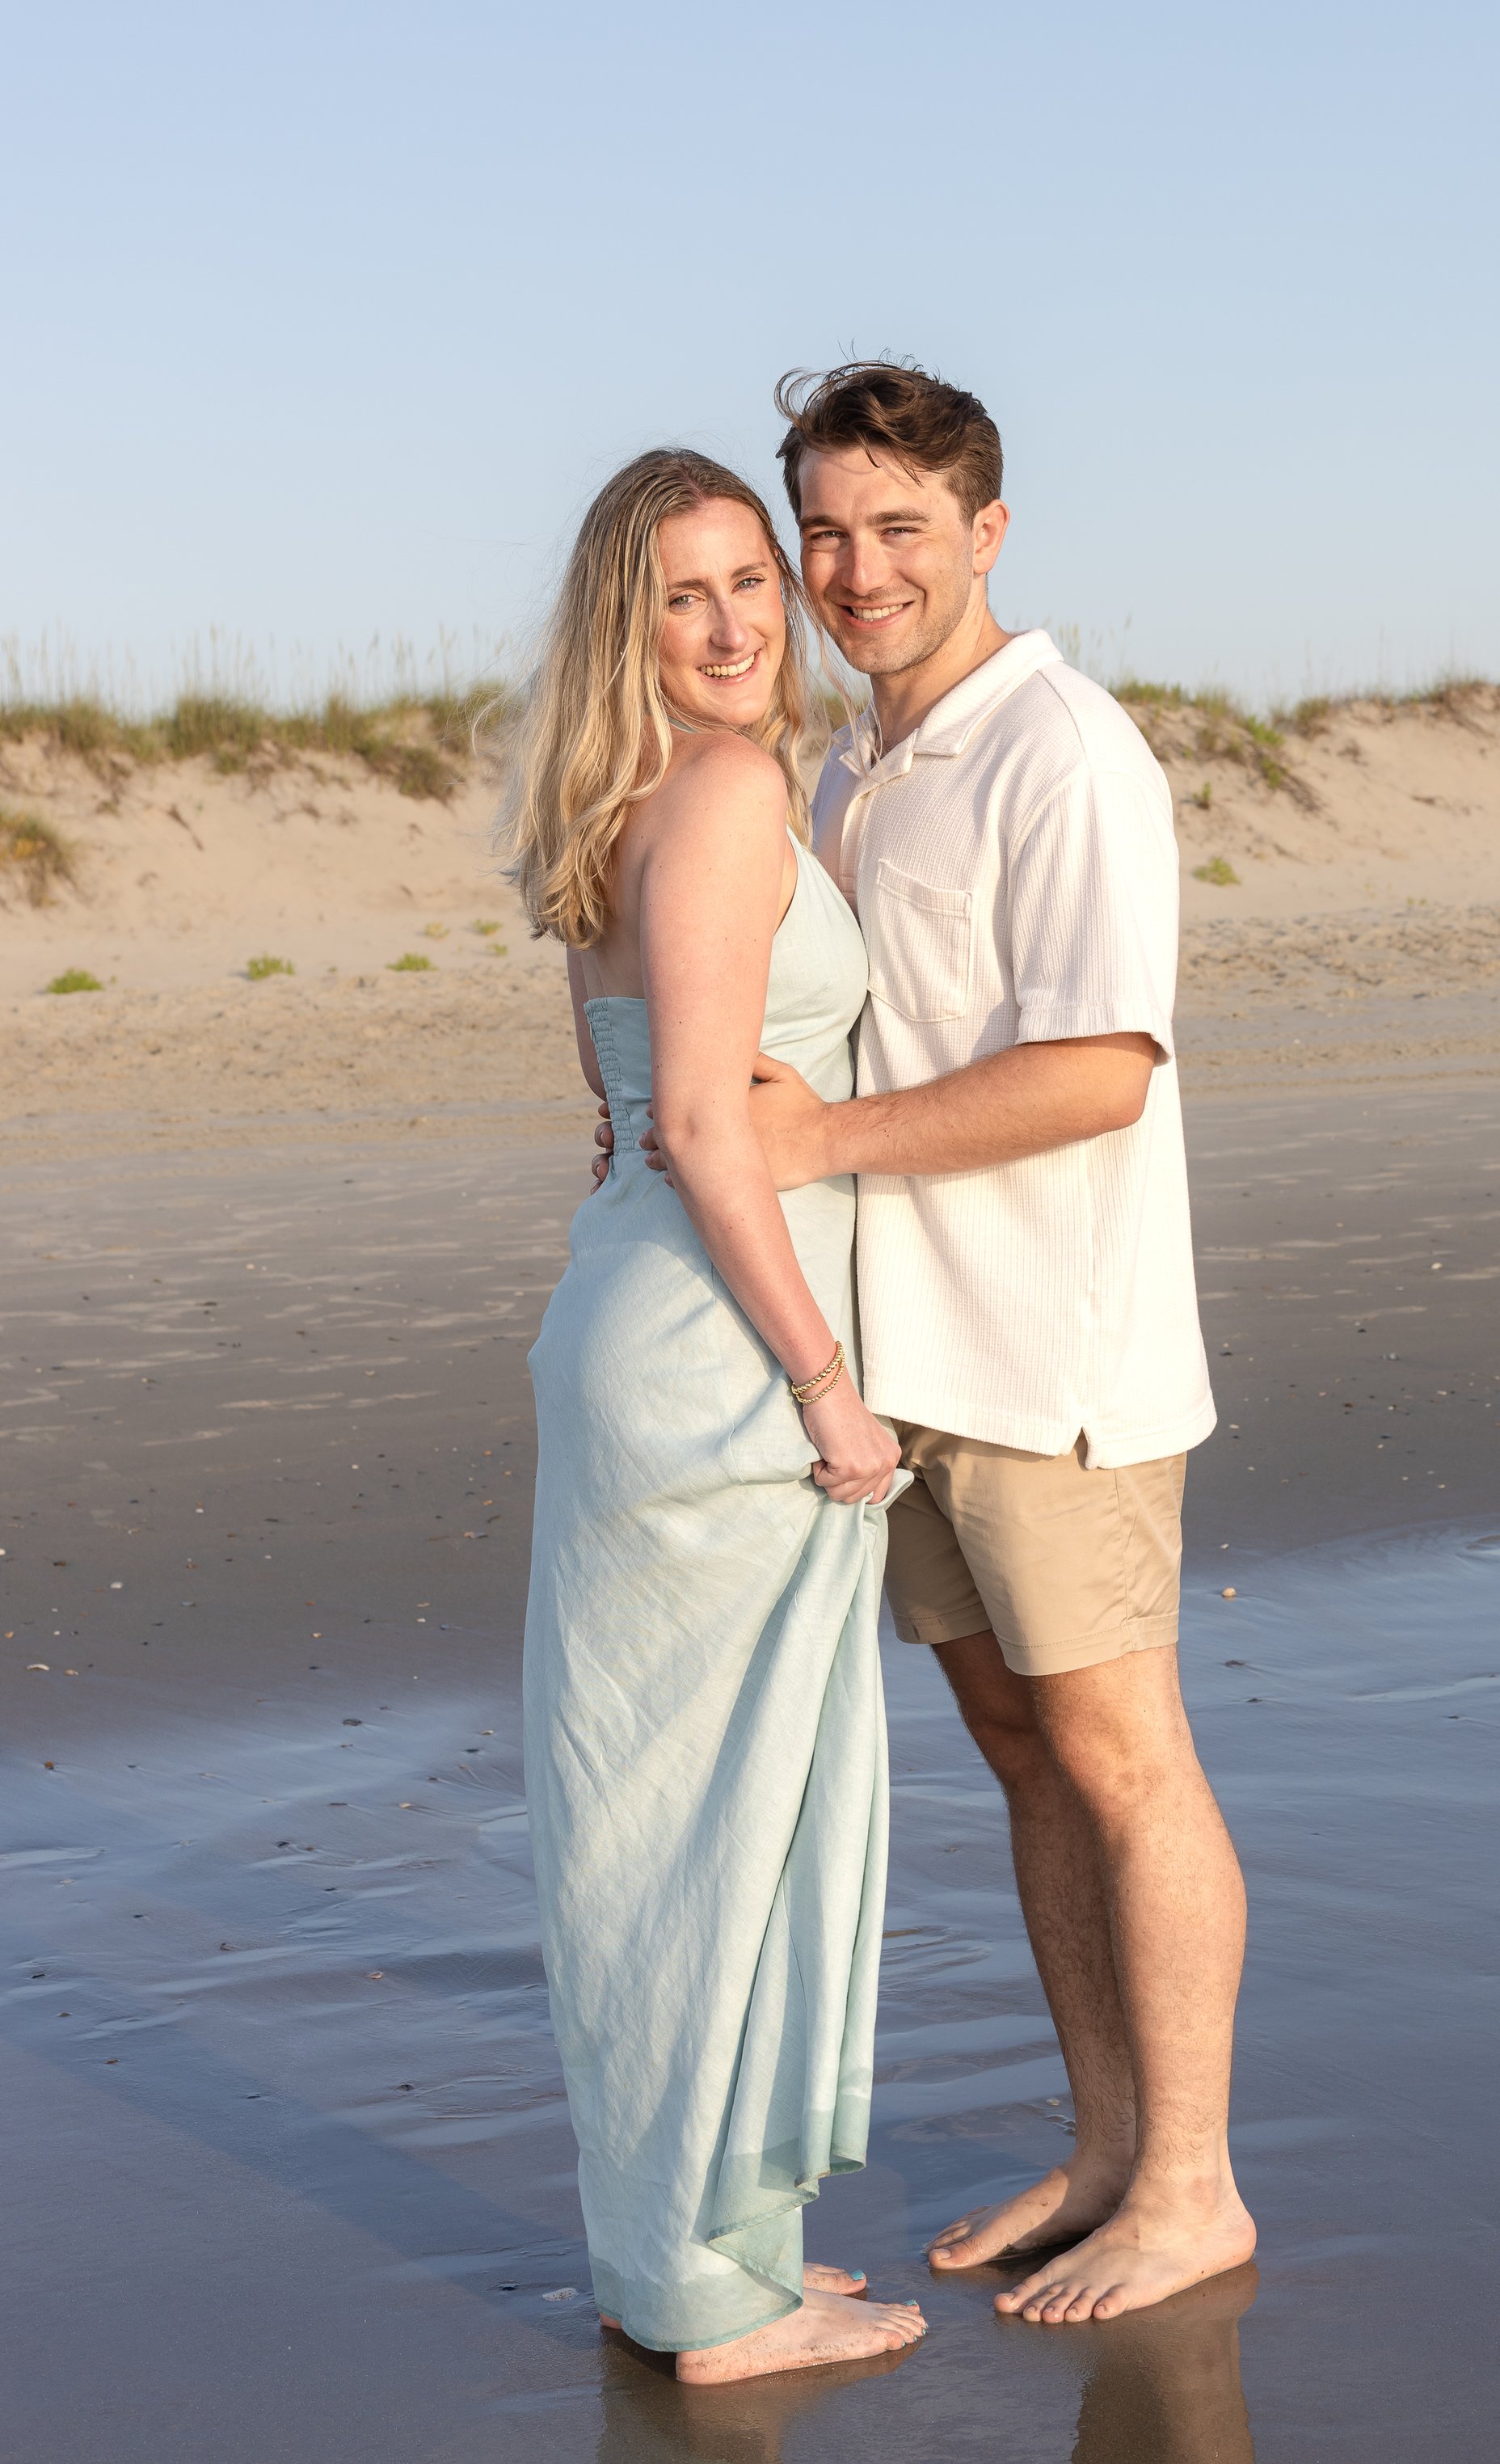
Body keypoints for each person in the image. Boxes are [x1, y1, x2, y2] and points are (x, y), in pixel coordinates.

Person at [613, 363, 1254, 2326]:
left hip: (1054, 1356)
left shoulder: (1062, 749)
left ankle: (1196, 2187)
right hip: (909, 1364)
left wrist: (819, 1139)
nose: (852, 570)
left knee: (1122, 1753)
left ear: (985, 533)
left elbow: (1096, 1072)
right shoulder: (849, 764)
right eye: (826, 532)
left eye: (899, 529)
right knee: (1018, 1748)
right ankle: (1102, 2145)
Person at [503, 447, 926, 2384]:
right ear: (631, 624)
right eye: (688, 594)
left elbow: (622, 1111)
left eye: (754, 578)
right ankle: (701, 2287)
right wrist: (830, 1391)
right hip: (719, 1361)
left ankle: (704, 2258)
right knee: (716, 1821)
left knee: (664, 1815)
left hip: (638, 1317)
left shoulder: (633, 801)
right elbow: (689, 1120)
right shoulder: (738, 787)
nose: (743, 620)